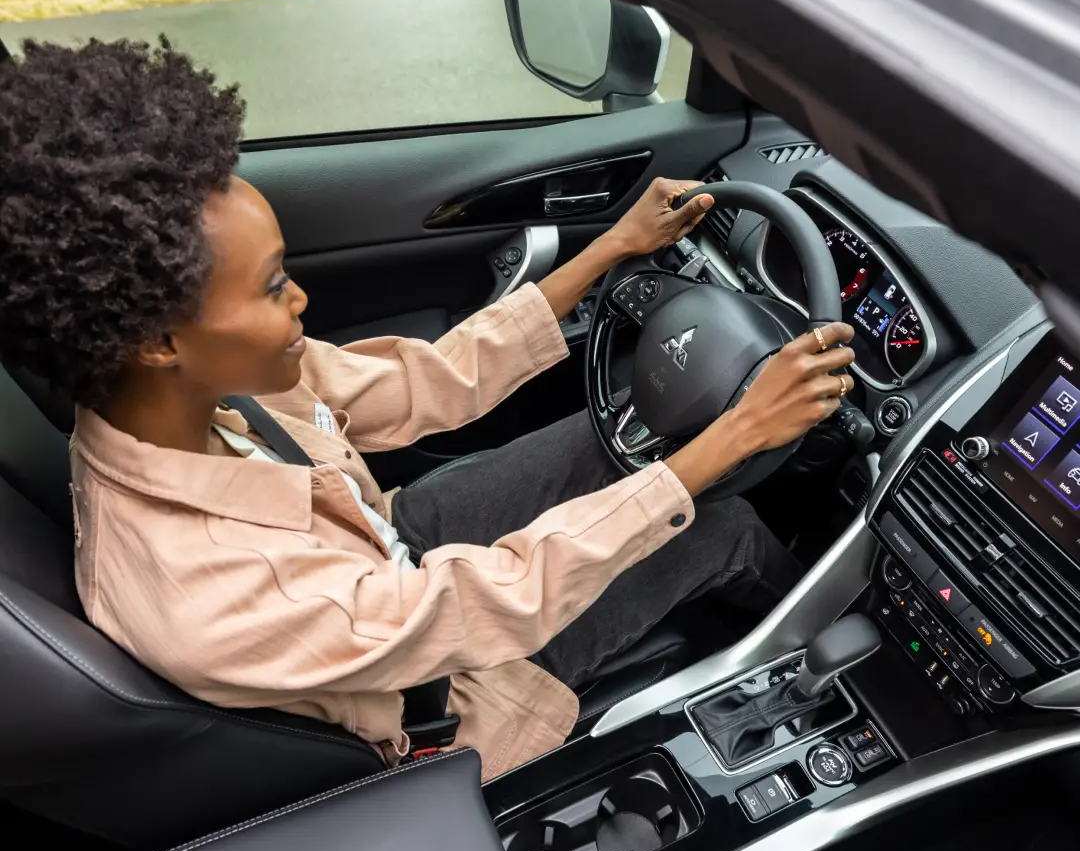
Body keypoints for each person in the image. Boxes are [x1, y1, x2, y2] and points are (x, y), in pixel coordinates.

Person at [0, 39, 856, 779]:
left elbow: (418, 383)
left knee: (624, 442)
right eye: (270, 287)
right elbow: (476, 607)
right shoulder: (206, 591)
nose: (299, 299)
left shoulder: (190, 398)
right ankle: (855, 647)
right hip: (446, 691)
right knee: (720, 523)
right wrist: (740, 431)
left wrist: (609, 251)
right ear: (157, 340)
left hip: (390, 550)